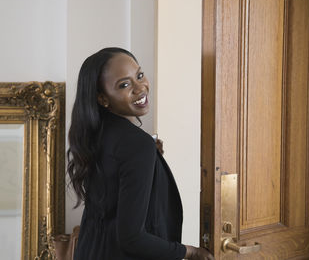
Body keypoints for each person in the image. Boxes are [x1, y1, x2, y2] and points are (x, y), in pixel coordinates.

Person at [67, 47, 214, 260]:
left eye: (139, 75)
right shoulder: (135, 144)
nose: (140, 88)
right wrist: (189, 252)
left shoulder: (94, 134)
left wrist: (148, 154)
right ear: (103, 98)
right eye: (124, 85)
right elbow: (132, 238)